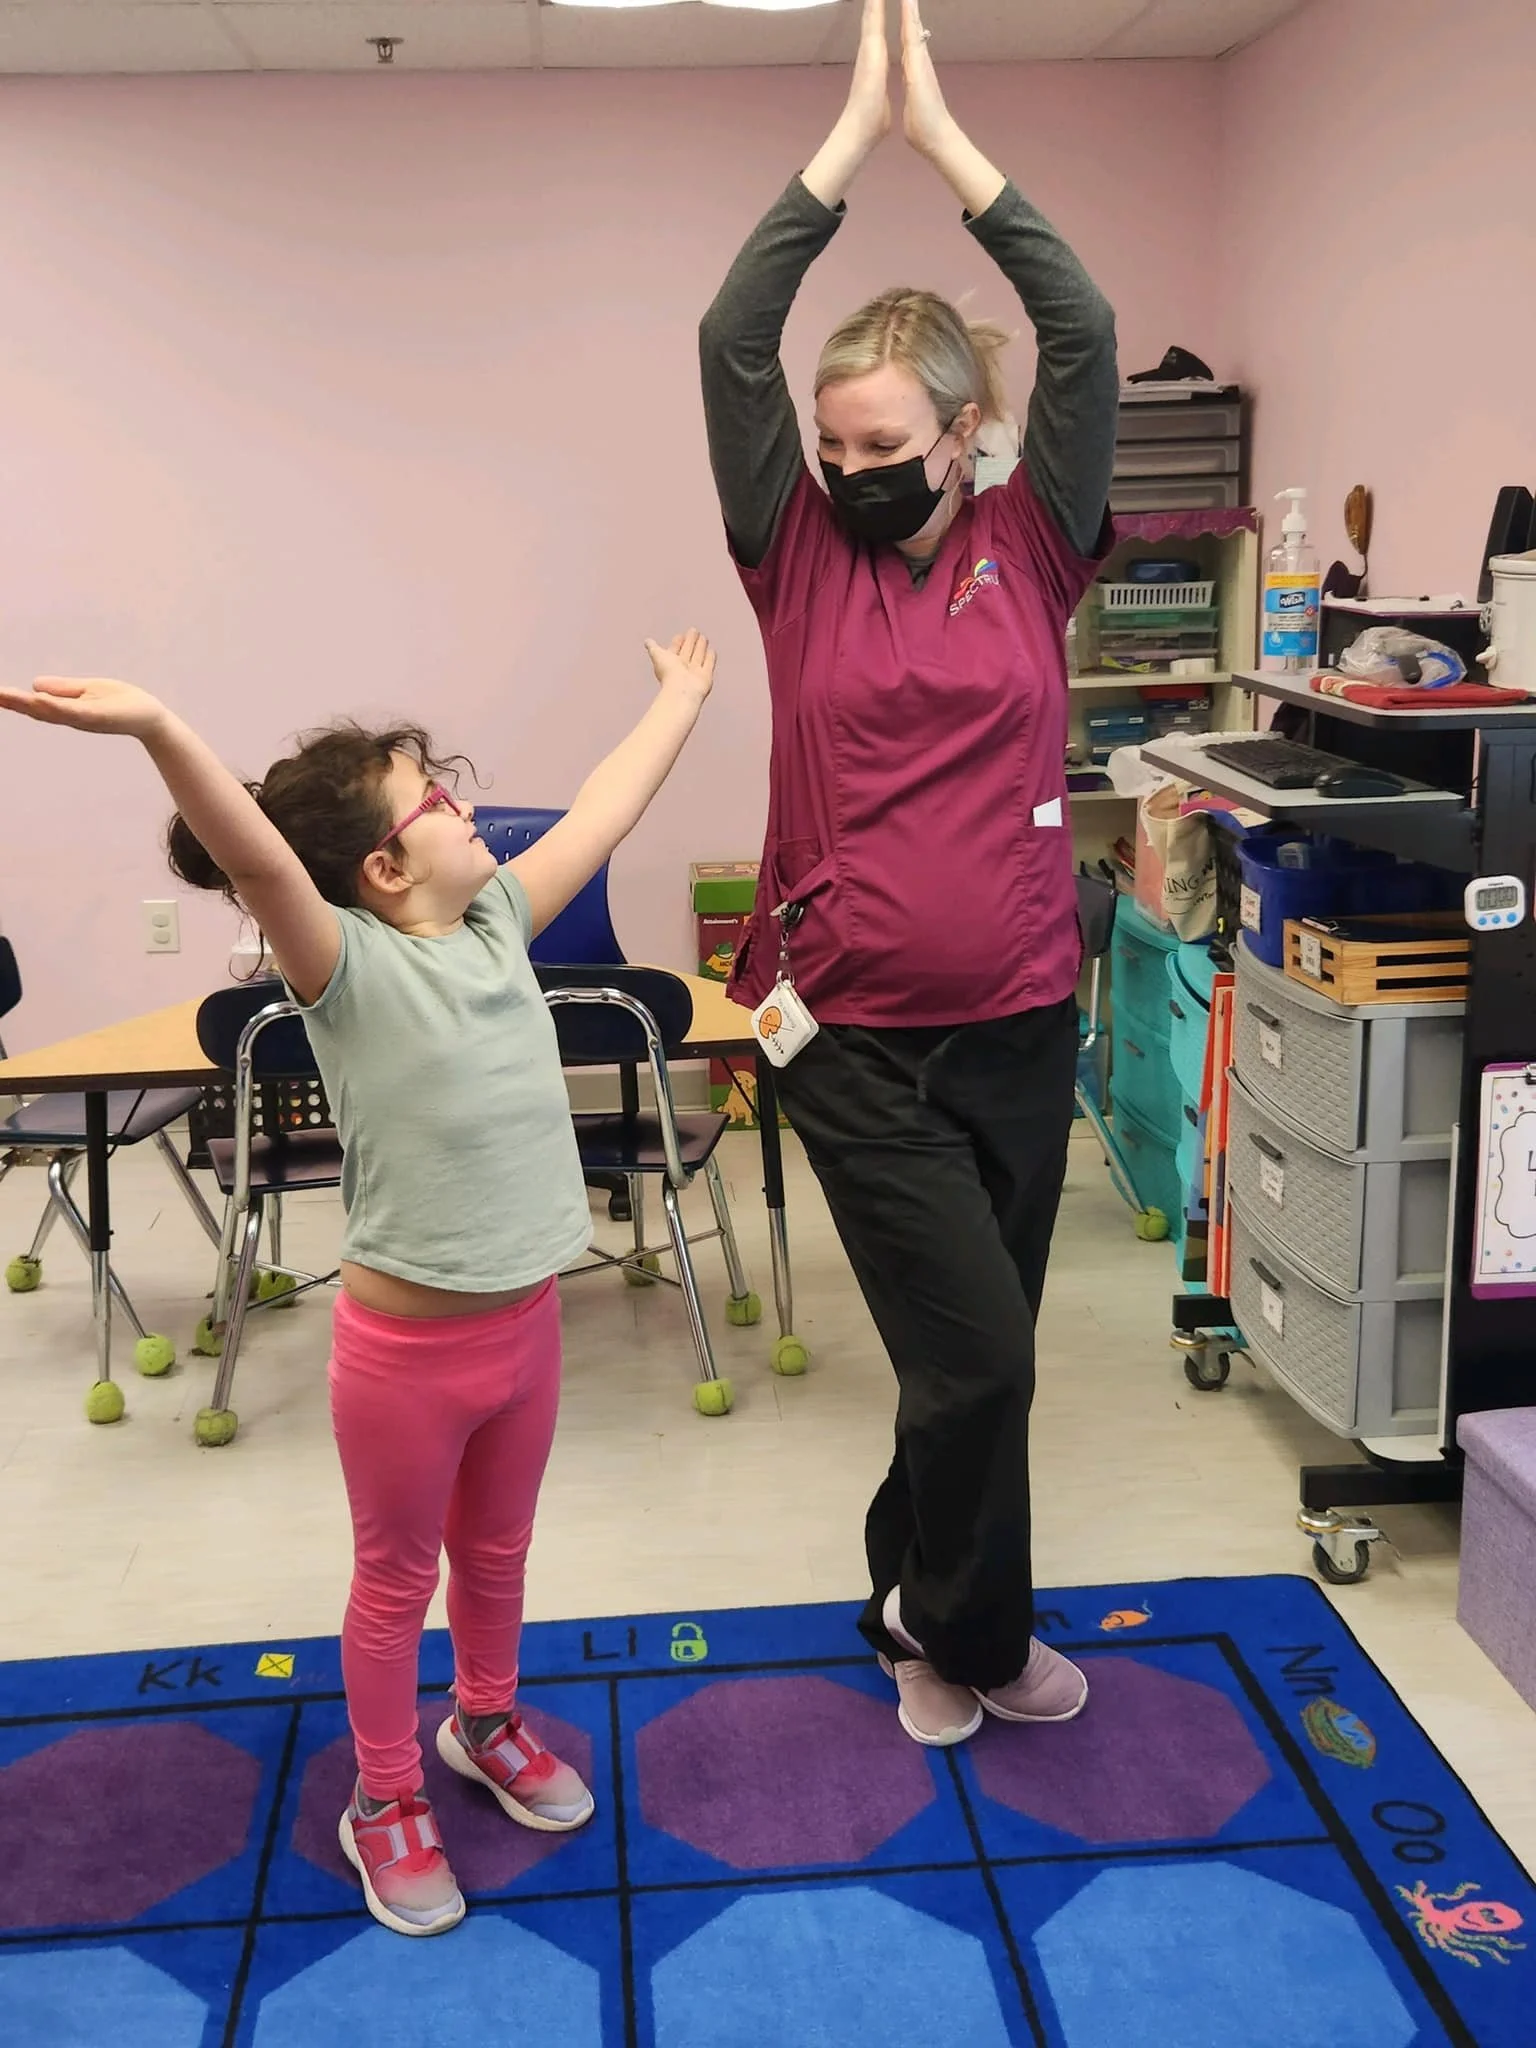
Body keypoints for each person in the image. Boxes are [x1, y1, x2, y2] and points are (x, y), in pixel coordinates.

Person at [0, 632, 716, 1933]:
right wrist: (161, 726)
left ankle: (484, 1721)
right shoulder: (345, 967)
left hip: (527, 1328)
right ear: (384, 868)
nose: (468, 804)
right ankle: (385, 1795)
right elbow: (260, 856)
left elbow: (608, 807)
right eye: (437, 801)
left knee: (497, 1553)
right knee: (397, 1580)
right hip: (406, 1359)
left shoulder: (499, 918)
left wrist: (678, 699)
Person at [699, 0, 1117, 1749]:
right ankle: (961, 1629)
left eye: (887, 445)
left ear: (965, 432)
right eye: (835, 444)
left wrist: (950, 145)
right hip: (845, 1032)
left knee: (973, 1362)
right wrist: (846, 142)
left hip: (1021, 1016)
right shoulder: (791, 548)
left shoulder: (1040, 542)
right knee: (986, 1363)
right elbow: (732, 335)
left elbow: (1083, 328)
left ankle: (912, 1596)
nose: (853, 471)